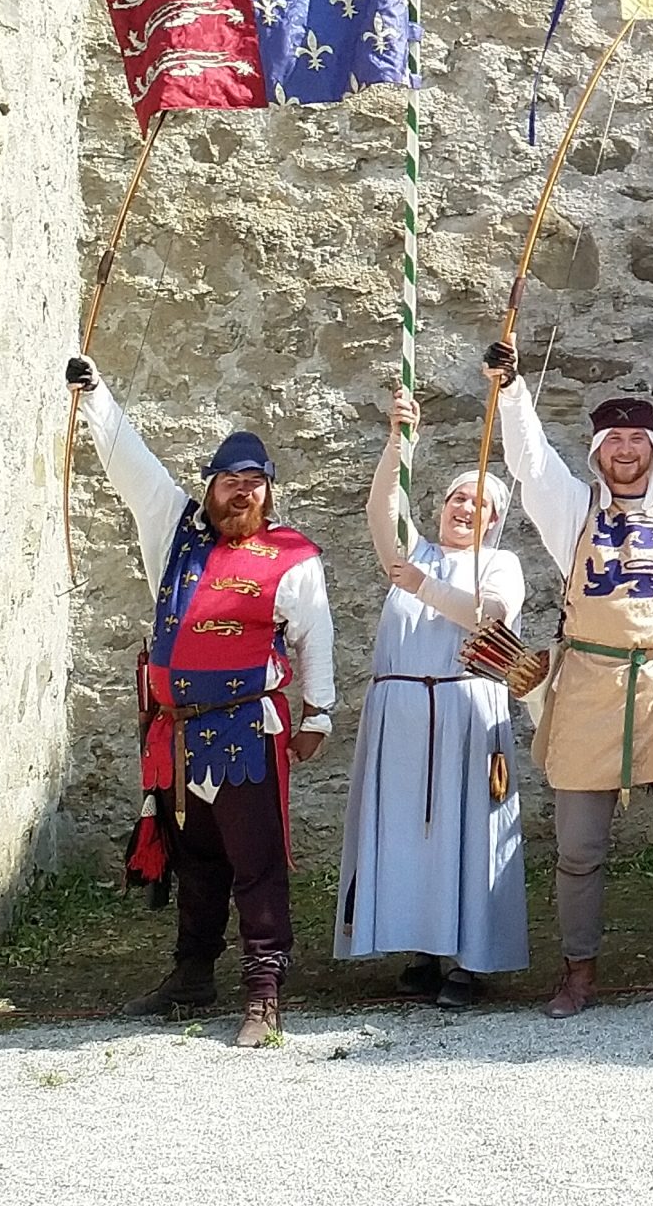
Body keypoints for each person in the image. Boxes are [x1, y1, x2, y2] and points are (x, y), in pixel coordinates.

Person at [484, 342, 653, 1018]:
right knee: (579, 849)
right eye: (615, 440)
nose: (627, 450)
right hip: (589, 687)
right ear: (598, 450)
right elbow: (529, 463)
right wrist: (513, 390)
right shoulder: (573, 511)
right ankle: (578, 973)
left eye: (638, 438)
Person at [64, 355, 336, 1049]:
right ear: (210, 486)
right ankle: (190, 977)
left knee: (257, 861)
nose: (241, 493)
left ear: (270, 494)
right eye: (229, 481)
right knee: (194, 863)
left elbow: (315, 635)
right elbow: (132, 460)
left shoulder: (291, 556)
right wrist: (95, 392)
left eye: (254, 483)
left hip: (249, 728)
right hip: (177, 735)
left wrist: (319, 714)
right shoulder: (173, 528)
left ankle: (264, 990)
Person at [333, 388, 528, 1007]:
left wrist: (421, 585)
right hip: (403, 717)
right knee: (411, 834)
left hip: (468, 717)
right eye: (456, 498)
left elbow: (488, 616)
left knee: (466, 833)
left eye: (479, 503)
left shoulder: (500, 564)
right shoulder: (411, 552)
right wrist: (399, 441)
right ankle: (419, 946)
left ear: (495, 520)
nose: (465, 508)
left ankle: (468, 960)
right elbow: (380, 509)